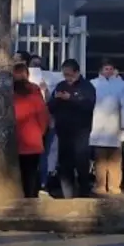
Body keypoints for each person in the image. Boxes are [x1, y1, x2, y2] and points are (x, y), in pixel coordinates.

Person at [49, 59, 96, 198]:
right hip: (63, 130)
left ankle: (83, 193)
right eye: (65, 75)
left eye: (69, 75)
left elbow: (89, 105)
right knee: (65, 164)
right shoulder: (60, 85)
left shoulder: (87, 86)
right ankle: (67, 194)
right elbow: (50, 107)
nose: (67, 78)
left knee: (81, 162)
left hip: (81, 130)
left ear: (77, 72)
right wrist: (56, 99)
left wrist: (71, 98)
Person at [90, 58, 124, 195]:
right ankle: (100, 185)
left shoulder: (122, 84)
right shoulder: (93, 84)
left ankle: (114, 185)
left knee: (115, 160)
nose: (109, 71)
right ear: (101, 70)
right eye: (106, 69)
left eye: (111, 69)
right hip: (98, 125)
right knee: (100, 159)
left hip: (116, 125)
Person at [13, 62, 50, 198]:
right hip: (33, 136)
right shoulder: (34, 90)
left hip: (15, 137)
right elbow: (42, 113)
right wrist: (41, 131)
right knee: (31, 171)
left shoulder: (9, 91)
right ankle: (31, 196)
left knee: (18, 171)